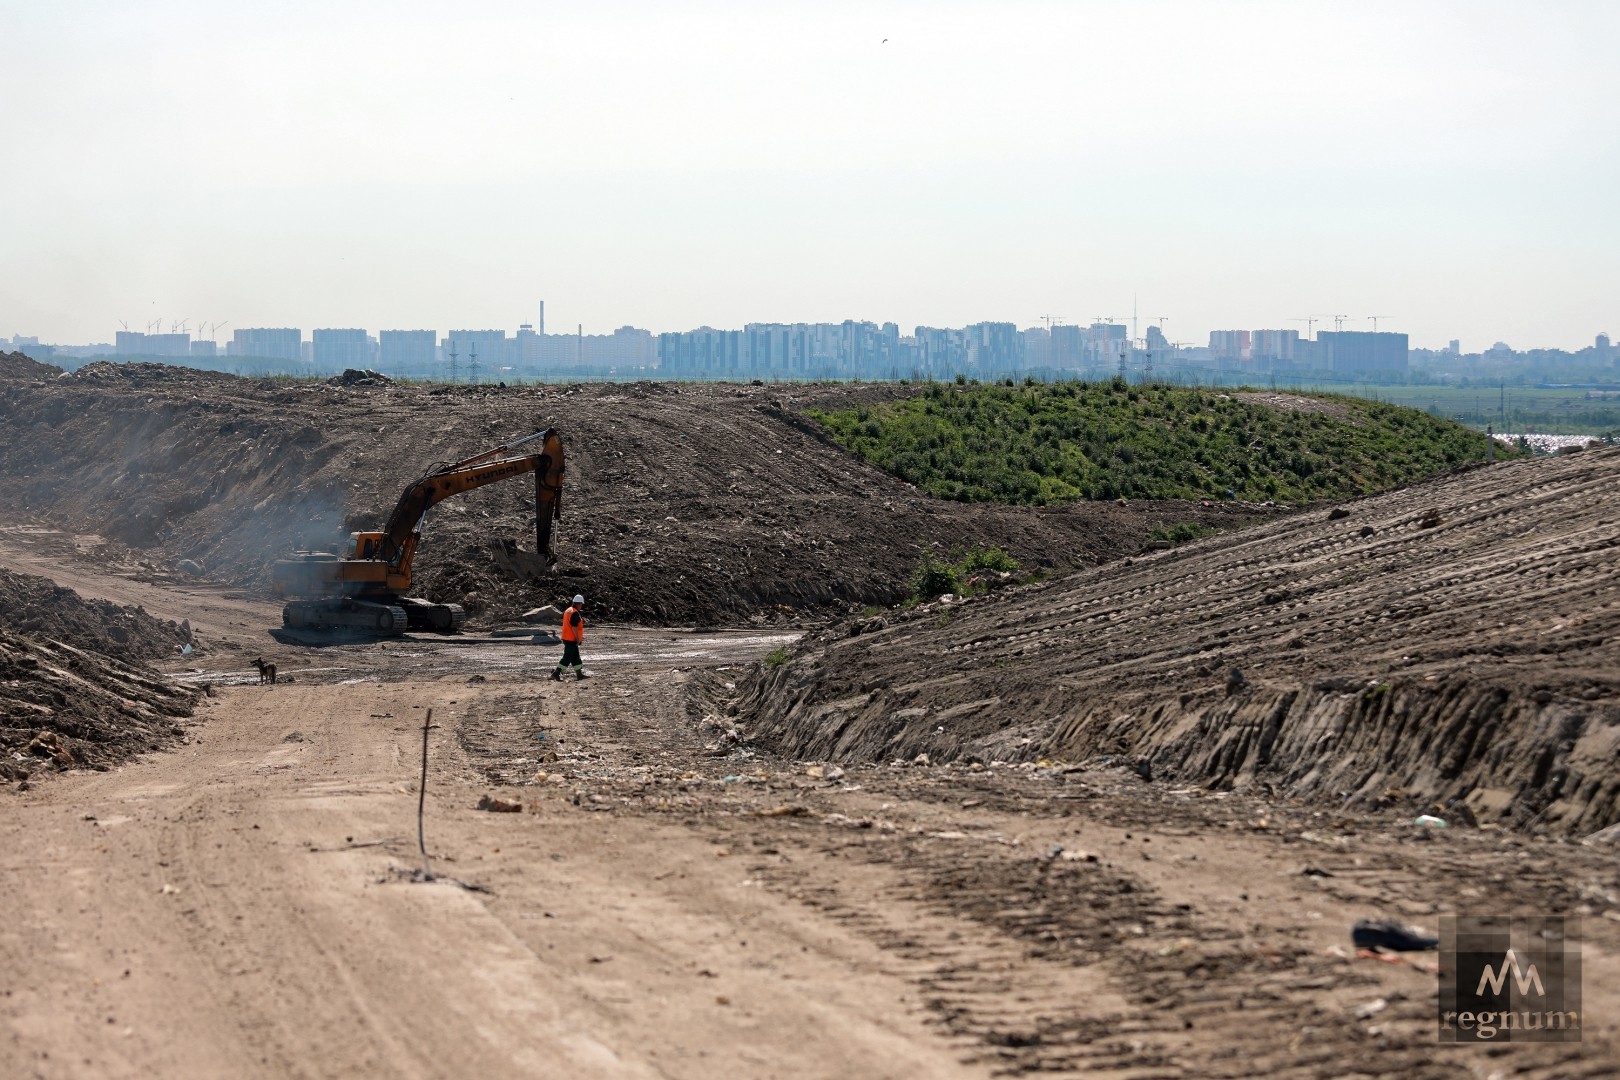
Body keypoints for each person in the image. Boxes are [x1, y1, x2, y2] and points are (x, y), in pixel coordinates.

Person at [551, 594, 587, 681]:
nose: (581, 606)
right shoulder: (575, 613)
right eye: (581, 604)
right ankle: (556, 673)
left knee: (575, 657)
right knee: (567, 657)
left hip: (567, 637)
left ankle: (579, 674)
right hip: (571, 639)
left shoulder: (568, 610)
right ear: (579, 604)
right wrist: (578, 639)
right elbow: (574, 627)